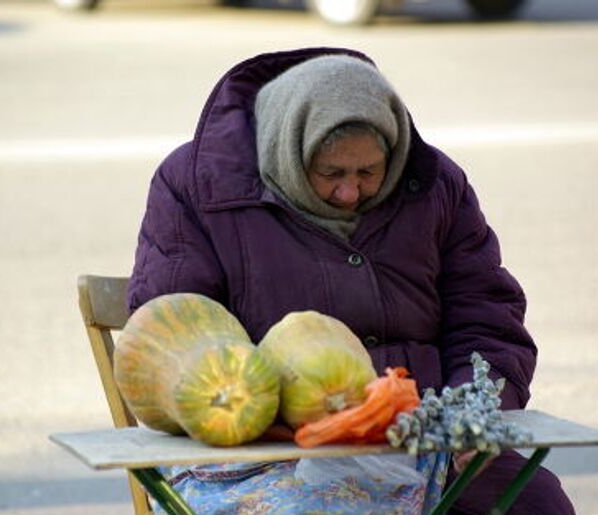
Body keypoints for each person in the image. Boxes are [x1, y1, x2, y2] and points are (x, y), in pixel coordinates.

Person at [128, 47, 574, 514]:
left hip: (423, 438)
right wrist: (281, 410)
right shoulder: (197, 184)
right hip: (264, 449)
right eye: (331, 173)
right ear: (289, 150)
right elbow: (174, 334)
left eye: (369, 172)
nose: (350, 191)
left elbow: (486, 319)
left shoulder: (434, 183)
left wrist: (475, 414)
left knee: (534, 503)